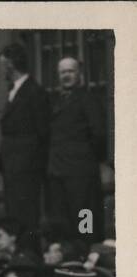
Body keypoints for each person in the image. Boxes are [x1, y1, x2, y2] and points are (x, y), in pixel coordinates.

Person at [46, 58, 107, 236]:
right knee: (63, 219)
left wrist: (86, 158)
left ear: (79, 73)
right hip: (58, 171)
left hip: (81, 171)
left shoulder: (88, 99)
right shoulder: (55, 102)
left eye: (70, 71)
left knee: (84, 215)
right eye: (62, 72)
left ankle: (86, 250)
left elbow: (99, 134)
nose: (66, 75)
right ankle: (70, 256)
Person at [0, 42, 50, 238]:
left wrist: (31, 165)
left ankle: (28, 257)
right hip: (13, 169)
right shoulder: (14, 91)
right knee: (15, 219)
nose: (1, 70)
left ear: (11, 65)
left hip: (26, 170)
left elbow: (42, 133)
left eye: (3, 65)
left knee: (26, 219)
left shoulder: (34, 92)